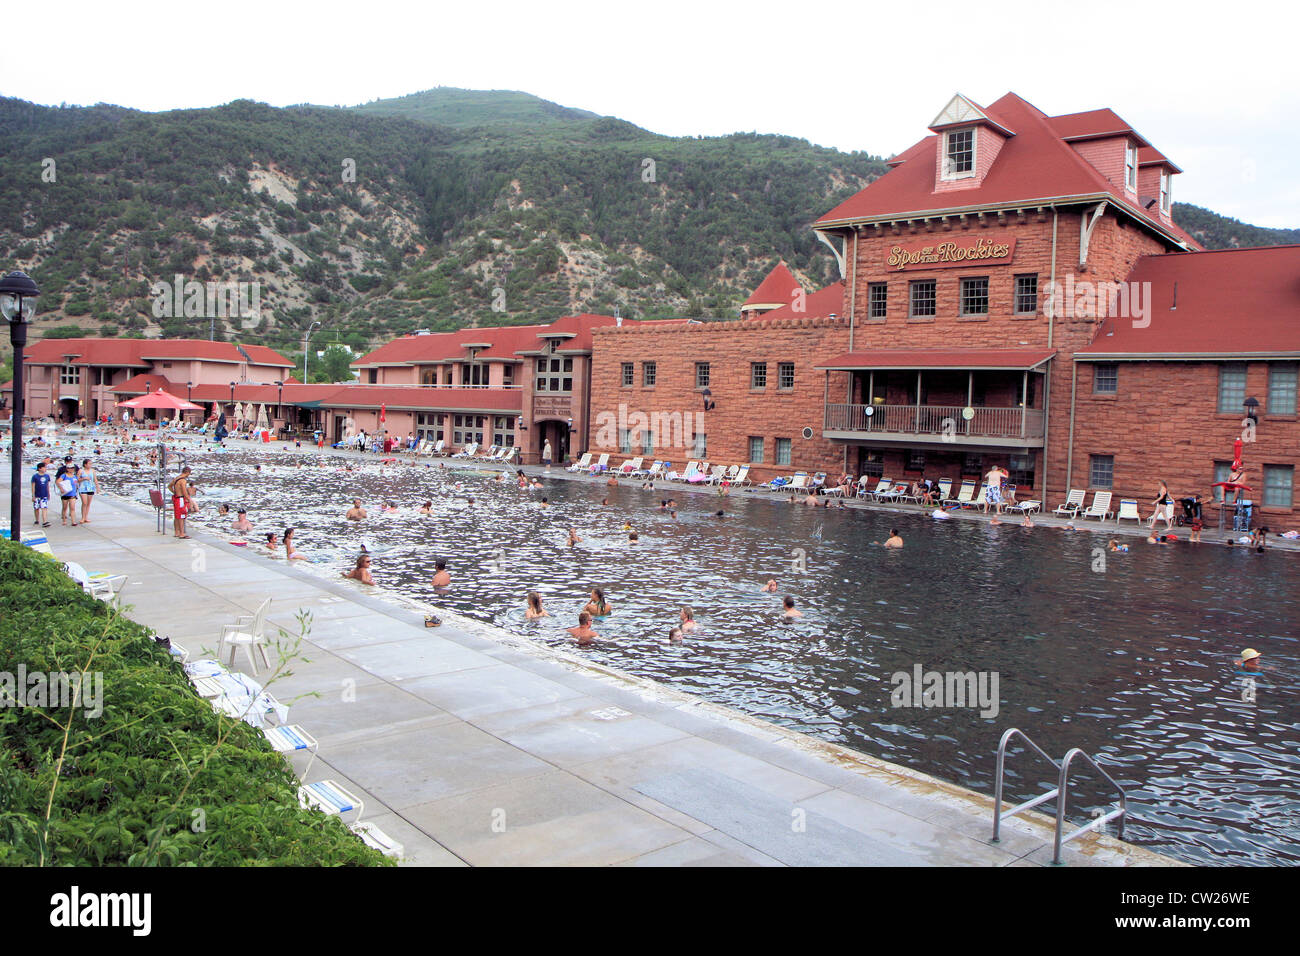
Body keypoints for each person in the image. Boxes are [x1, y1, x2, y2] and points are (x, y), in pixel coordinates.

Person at [31, 461, 51, 528]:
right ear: (39, 468)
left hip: (44, 494)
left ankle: (45, 521)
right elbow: (33, 486)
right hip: (37, 495)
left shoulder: (47, 476)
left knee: (44, 507)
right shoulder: (35, 476)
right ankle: (37, 519)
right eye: (44, 467)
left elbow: (47, 485)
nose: (45, 469)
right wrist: (33, 495)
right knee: (36, 508)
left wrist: (48, 493)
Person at [77, 459, 99, 523]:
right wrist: (83, 478)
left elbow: (95, 479)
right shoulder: (81, 471)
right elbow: (76, 480)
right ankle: (83, 517)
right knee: (84, 502)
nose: (90, 465)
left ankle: (86, 517)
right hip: (83, 488)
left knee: (88, 503)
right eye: (89, 464)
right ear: (85, 464)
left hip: (91, 488)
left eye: (91, 464)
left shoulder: (92, 471)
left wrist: (97, 487)